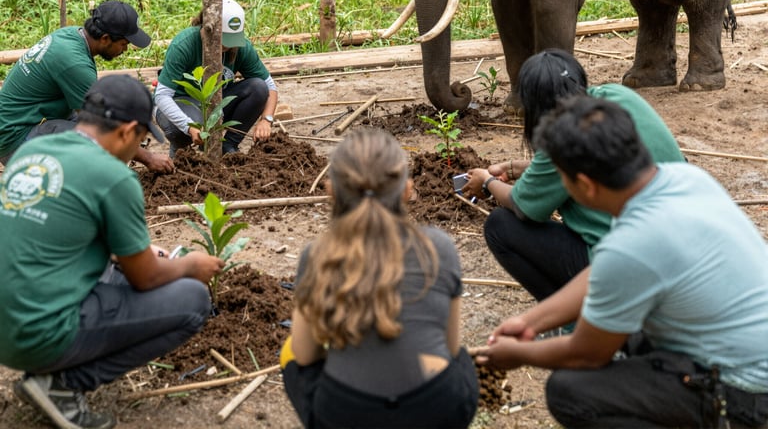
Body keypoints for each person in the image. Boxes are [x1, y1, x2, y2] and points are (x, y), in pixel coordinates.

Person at [476, 95, 768, 429]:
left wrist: (518, 354)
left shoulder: (632, 244)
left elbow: (586, 353)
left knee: (570, 391)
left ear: (585, 185)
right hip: (748, 358)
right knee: (625, 330)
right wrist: (530, 322)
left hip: (748, 395)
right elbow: (600, 276)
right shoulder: (683, 179)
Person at [0, 74, 224, 429]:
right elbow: (146, 277)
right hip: (35, 334)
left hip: (6, 326)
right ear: (127, 132)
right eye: (141, 140)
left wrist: (132, 250)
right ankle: (62, 384)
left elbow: (58, 232)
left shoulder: (31, 152)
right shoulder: (114, 176)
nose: (137, 151)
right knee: (192, 300)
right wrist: (188, 265)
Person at [281, 128, 479, 429]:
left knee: (290, 354)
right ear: (408, 190)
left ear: (331, 190)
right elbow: (451, 348)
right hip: (437, 406)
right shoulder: (438, 247)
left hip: (346, 414)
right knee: (460, 360)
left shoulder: (318, 254)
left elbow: (306, 355)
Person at [462, 49, 684, 305]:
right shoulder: (617, 95)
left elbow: (524, 207)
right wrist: (513, 169)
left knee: (500, 226)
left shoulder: (561, 136)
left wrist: (487, 182)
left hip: (628, 266)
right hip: (677, 245)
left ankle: (573, 314)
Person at [0, 0, 172, 174]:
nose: (125, 50)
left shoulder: (71, 35)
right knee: (100, 145)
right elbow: (102, 128)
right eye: (123, 44)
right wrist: (149, 158)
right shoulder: (74, 64)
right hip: (16, 140)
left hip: (32, 121)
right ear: (105, 39)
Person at [154, 0, 278, 157]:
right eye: (223, 38)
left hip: (217, 101)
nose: (227, 46)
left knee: (258, 88)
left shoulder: (240, 47)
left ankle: (228, 146)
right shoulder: (183, 45)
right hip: (181, 101)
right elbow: (162, 96)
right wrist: (188, 127)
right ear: (207, 28)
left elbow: (270, 87)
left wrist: (266, 120)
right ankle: (180, 152)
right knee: (183, 128)